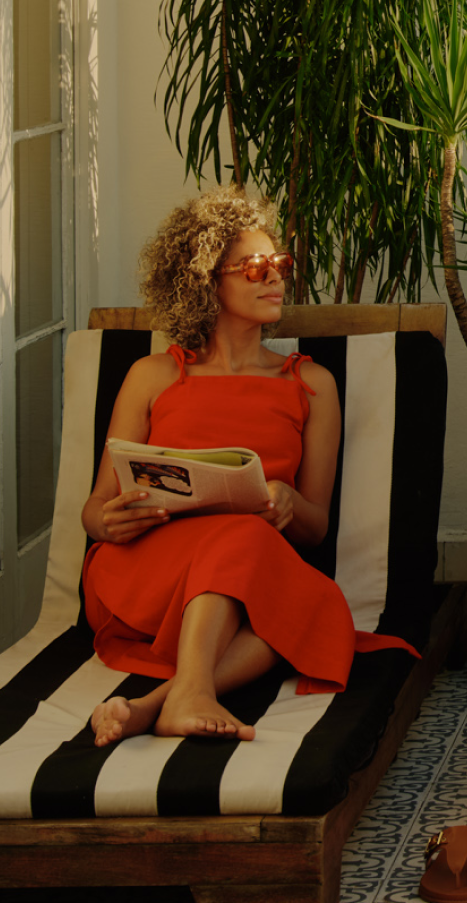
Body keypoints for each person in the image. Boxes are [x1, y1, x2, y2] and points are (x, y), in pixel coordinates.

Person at [83, 189, 414, 745]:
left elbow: (314, 526)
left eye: (279, 265)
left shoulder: (312, 385)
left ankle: (155, 705)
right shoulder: (153, 376)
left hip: (248, 578)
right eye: (255, 268)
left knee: (308, 606)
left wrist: (288, 503)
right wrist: (104, 521)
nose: (275, 278)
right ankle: (187, 693)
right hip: (145, 574)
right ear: (206, 280)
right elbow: (97, 506)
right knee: (255, 557)